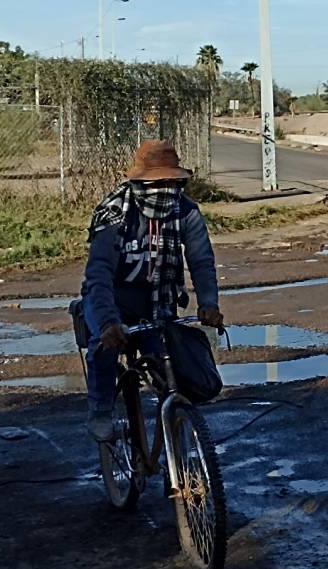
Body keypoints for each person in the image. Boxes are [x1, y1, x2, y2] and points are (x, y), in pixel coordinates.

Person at [81, 140, 223, 442]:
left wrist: (209, 303)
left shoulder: (186, 211)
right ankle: (101, 411)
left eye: (173, 181)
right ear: (140, 181)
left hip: (157, 300)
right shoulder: (114, 213)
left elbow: (201, 260)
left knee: (169, 366)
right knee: (103, 346)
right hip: (111, 298)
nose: (166, 188)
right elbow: (99, 272)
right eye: (159, 181)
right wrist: (108, 321)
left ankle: (174, 439)